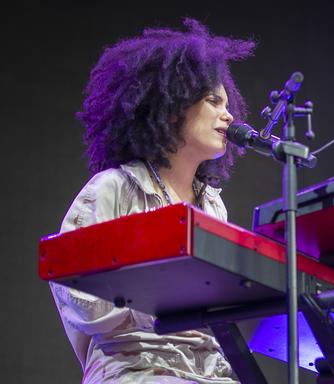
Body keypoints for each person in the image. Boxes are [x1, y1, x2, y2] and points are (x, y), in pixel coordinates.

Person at [50, 18, 253, 383]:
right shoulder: (113, 187)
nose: (229, 114)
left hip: (209, 372)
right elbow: (75, 293)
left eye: (227, 104)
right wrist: (159, 299)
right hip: (137, 370)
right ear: (173, 107)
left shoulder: (213, 207)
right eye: (213, 101)